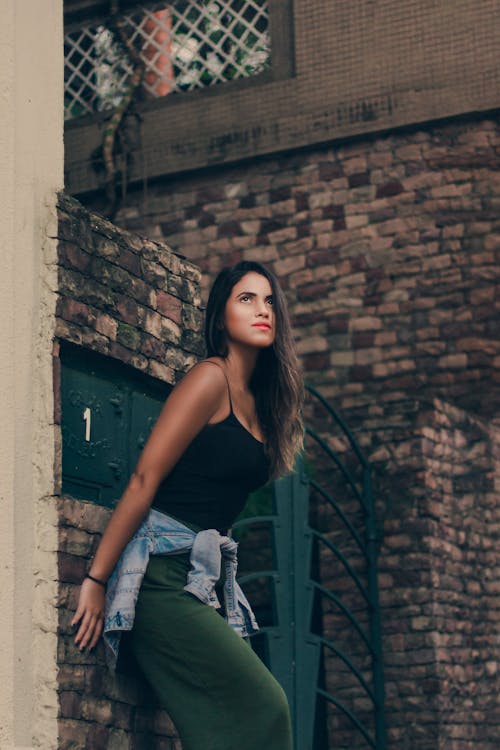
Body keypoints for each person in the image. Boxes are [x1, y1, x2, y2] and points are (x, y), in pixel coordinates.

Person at [72, 260, 304, 750]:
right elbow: (143, 480)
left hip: (198, 582)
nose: (262, 310)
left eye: (269, 302)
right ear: (220, 318)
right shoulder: (209, 380)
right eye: (246, 299)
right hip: (159, 580)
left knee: (228, 727)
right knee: (268, 706)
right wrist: (96, 580)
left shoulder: (264, 404)